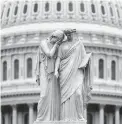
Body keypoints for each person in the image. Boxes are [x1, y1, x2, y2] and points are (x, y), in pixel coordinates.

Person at [55, 29, 92, 121]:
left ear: (73, 34)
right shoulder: (62, 46)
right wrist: (56, 70)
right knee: (65, 97)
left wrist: (87, 61)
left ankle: (79, 116)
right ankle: (65, 117)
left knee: (78, 94)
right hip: (65, 72)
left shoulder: (79, 44)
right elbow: (58, 59)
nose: (68, 36)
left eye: (70, 34)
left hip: (77, 71)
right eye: (66, 34)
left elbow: (84, 57)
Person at [34, 30, 66, 122]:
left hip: (52, 73)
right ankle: (41, 119)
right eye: (55, 38)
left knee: (53, 96)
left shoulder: (57, 45)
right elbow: (49, 54)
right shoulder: (44, 43)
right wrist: (56, 45)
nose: (55, 41)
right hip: (44, 70)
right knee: (44, 95)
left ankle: (52, 119)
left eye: (58, 40)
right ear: (52, 36)